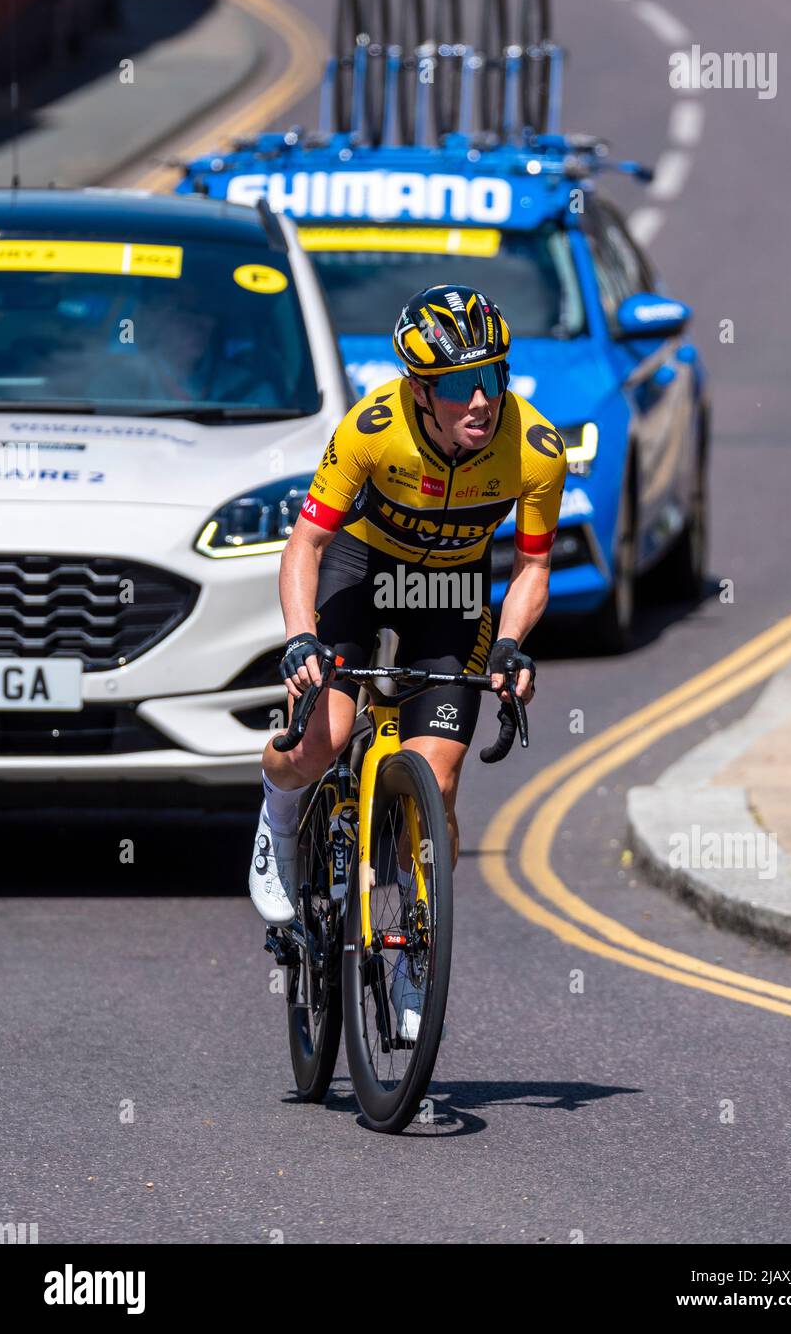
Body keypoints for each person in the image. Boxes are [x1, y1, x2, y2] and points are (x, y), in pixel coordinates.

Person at [248, 284, 567, 1038]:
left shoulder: (536, 449)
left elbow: (531, 568)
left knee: (439, 778)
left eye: (494, 376)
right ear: (421, 391)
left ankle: (415, 952)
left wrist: (514, 645)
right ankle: (278, 811)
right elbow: (308, 543)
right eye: (459, 385)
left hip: (451, 591)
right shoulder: (372, 429)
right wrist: (301, 637)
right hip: (361, 571)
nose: (481, 399)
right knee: (323, 733)